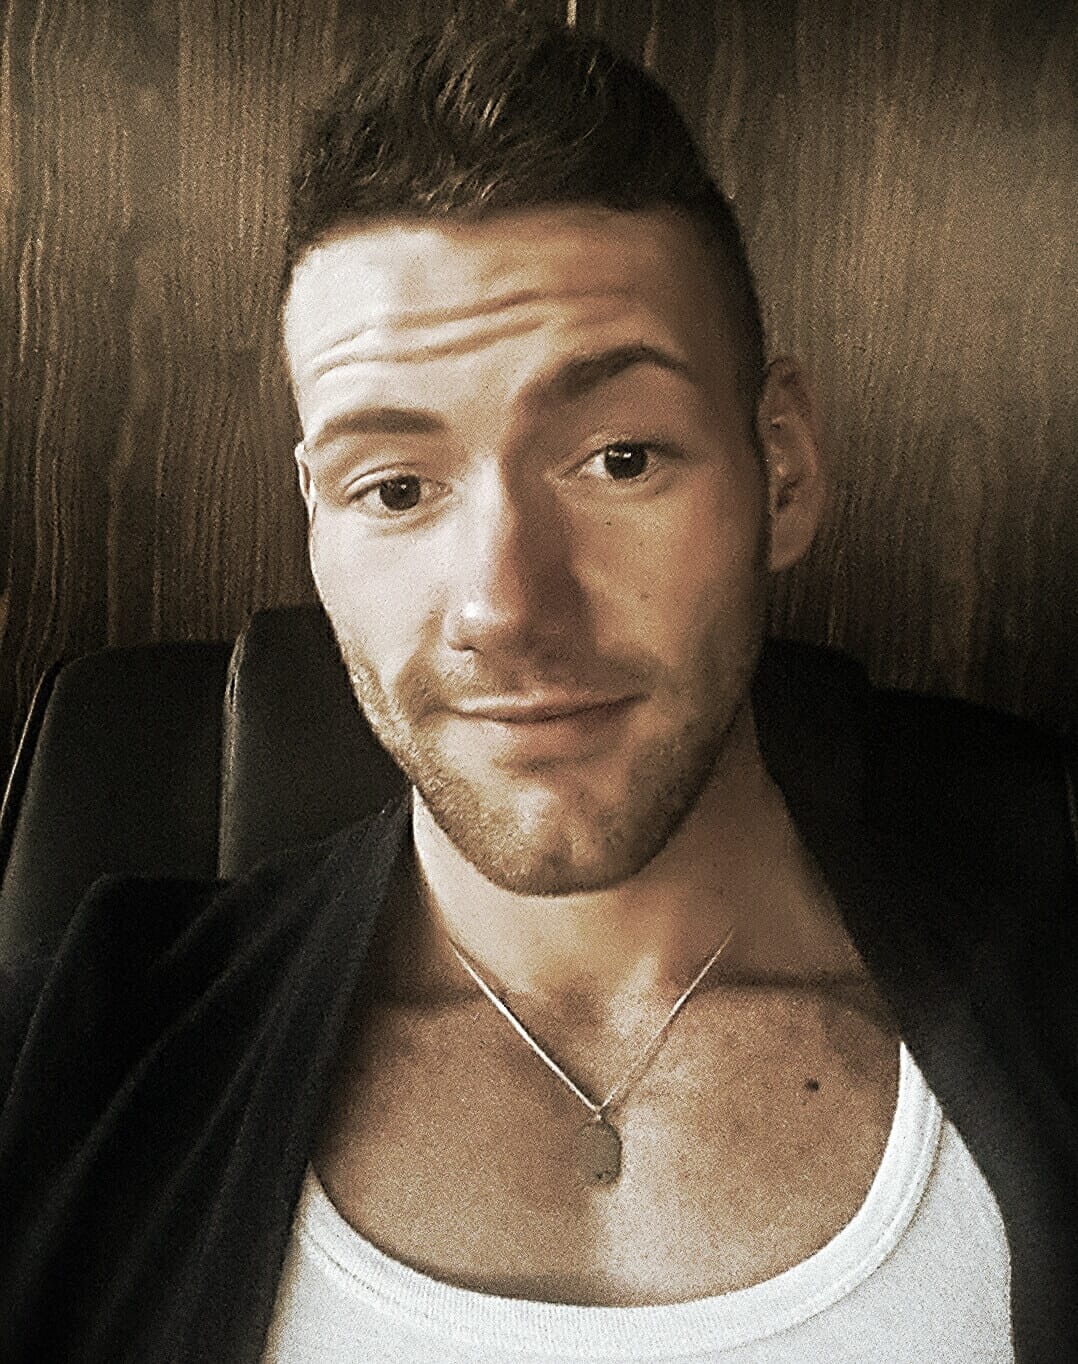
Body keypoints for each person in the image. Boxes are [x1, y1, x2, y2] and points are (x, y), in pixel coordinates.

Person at [0, 17, 1074, 1364]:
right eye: (397, 487)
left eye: (620, 458)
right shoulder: (60, 1068)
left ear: (784, 468)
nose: (503, 606)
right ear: (317, 521)